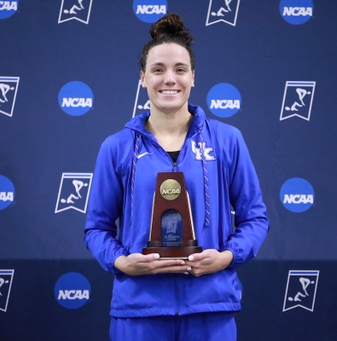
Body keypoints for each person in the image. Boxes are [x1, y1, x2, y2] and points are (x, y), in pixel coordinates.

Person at [84, 13, 269, 341]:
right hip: (139, 310)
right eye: (158, 70)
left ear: (193, 77)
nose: (169, 79)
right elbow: (96, 228)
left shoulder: (227, 140)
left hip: (211, 308)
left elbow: (255, 219)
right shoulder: (117, 147)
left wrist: (226, 257)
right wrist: (123, 263)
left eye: (179, 69)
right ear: (142, 78)